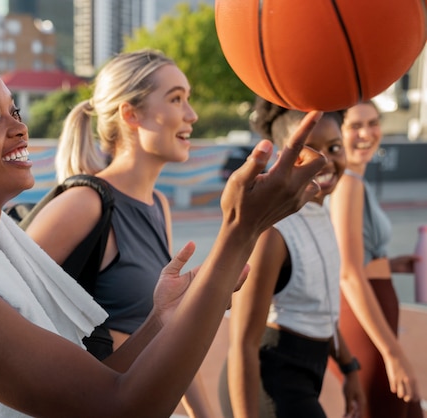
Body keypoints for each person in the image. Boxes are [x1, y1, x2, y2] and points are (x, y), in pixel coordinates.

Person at [0, 52, 326, 418]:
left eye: (14, 110)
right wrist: (241, 229)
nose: (20, 128)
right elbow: (120, 406)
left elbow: (95, 383)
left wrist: (159, 321)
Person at [24, 49, 216, 417]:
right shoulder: (85, 203)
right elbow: (1, 306)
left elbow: (167, 337)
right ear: (131, 113)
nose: (191, 115)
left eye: (187, 99)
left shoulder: (158, 204)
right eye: (176, 99)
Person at [217, 99, 364, 418]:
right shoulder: (273, 231)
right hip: (268, 381)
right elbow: (243, 343)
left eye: (335, 147)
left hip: (309, 371)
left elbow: (322, 306)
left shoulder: (320, 212)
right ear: (284, 157)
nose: (325, 161)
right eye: (310, 150)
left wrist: (349, 367)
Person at [328, 100, 423, 418]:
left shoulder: (355, 181)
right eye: (355, 126)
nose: (366, 133)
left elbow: (357, 258)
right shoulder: (348, 186)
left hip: (373, 317)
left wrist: (390, 264)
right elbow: (349, 274)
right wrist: (393, 353)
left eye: (373, 123)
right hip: (362, 324)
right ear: (337, 133)